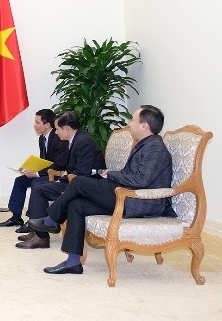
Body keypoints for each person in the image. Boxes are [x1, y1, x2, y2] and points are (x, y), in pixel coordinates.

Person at [27, 105, 175, 274]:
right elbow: (132, 175)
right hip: (127, 196)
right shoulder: (145, 145)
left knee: (78, 182)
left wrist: (110, 174)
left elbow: (141, 180)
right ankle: (73, 262)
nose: (129, 124)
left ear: (144, 126)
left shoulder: (155, 147)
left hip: (141, 202)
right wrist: (107, 174)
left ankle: (52, 220)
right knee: (77, 205)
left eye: (133, 120)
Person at [15, 111, 106, 249]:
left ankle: (41, 237)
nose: (56, 133)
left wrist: (63, 180)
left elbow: (82, 174)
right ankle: (38, 232)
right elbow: (74, 170)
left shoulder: (83, 142)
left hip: (86, 186)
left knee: (39, 188)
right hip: (75, 182)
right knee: (39, 186)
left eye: (57, 129)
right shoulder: (76, 139)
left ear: (67, 129)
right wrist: (63, 179)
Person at [0, 109, 68, 228]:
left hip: (56, 174)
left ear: (47, 125)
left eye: (37, 122)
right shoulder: (42, 138)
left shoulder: (58, 139)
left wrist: (36, 174)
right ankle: (16, 217)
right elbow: (44, 162)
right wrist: (29, 168)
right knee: (20, 181)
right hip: (44, 172)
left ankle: (32, 221)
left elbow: (60, 165)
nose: (34, 126)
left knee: (36, 182)